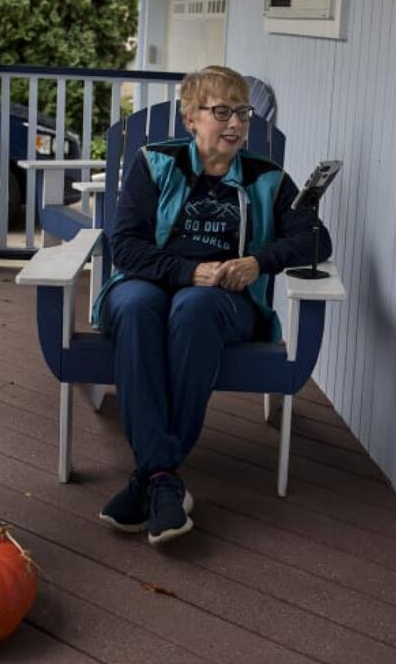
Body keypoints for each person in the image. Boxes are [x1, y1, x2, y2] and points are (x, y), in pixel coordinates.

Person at [90, 65, 332, 545]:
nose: (236, 124)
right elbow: (127, 246)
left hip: (222, 303)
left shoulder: (267, 178)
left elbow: (315, 240)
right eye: (221, 112)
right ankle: (162, 478)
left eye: (242, 112)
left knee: (195, 308)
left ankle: (150, 476)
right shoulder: (153, 163)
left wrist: (258, 262)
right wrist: (187, 271)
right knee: (139, 307)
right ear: (189, 119)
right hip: (144, 284)